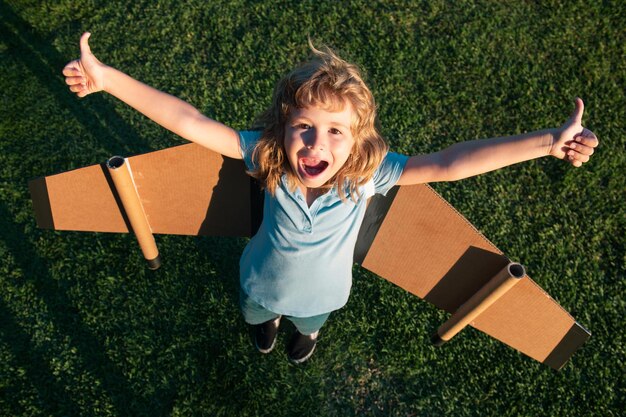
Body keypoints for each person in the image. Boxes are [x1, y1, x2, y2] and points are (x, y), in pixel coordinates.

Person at [63, 32, 599, 364]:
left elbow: (451, 165)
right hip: (256, 284)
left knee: (308, 325)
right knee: (258, 318)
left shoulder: (369, 175)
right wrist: (108, 80)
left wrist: (546, 142)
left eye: (336, 132)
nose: (317, 144)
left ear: (359, 140)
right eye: (304, 126)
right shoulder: (267, 156)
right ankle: (267, 329)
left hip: (325, 297)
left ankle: (304, 336)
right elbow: (191, 121)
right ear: (283, 126)